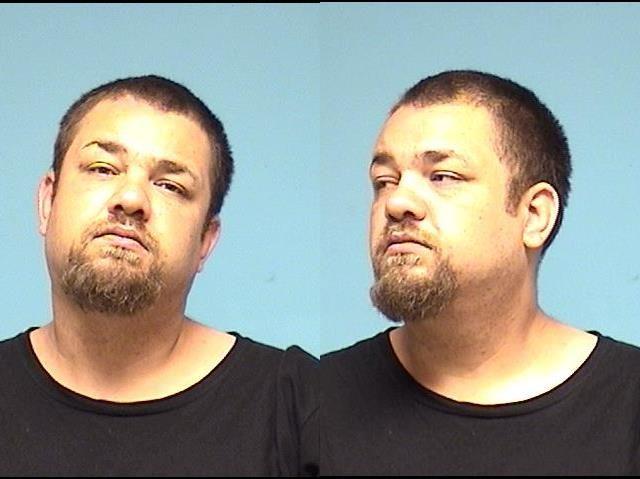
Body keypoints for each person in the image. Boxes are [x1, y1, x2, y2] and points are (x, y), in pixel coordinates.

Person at [320, 70, 640, 475]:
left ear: (534, 215)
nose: (397, 203)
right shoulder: (317, 402)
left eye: (443, 176)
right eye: (384, 181)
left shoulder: (629, 407)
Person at [0, 75, 317, 476]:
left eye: (169, 185)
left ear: (205, 241)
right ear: (48, 201)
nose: (131, 199)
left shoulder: (299, 405)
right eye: (103, 168)